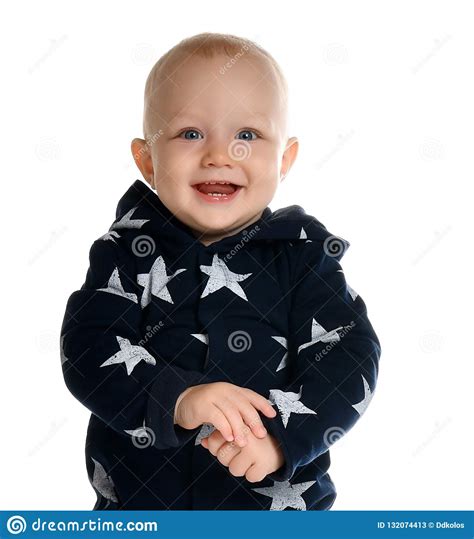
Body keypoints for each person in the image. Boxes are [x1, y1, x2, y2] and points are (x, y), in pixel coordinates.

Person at [60, 32, 381, 511]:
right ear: (147, 159)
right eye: (190, 134)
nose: (220, 155)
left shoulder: (302, 257)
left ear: (284, 159)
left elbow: (349, 354)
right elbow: (88, 349)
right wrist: (177, 398)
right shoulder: (126, 253)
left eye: (247, 136)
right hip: (143, 513)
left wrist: (281, 440)